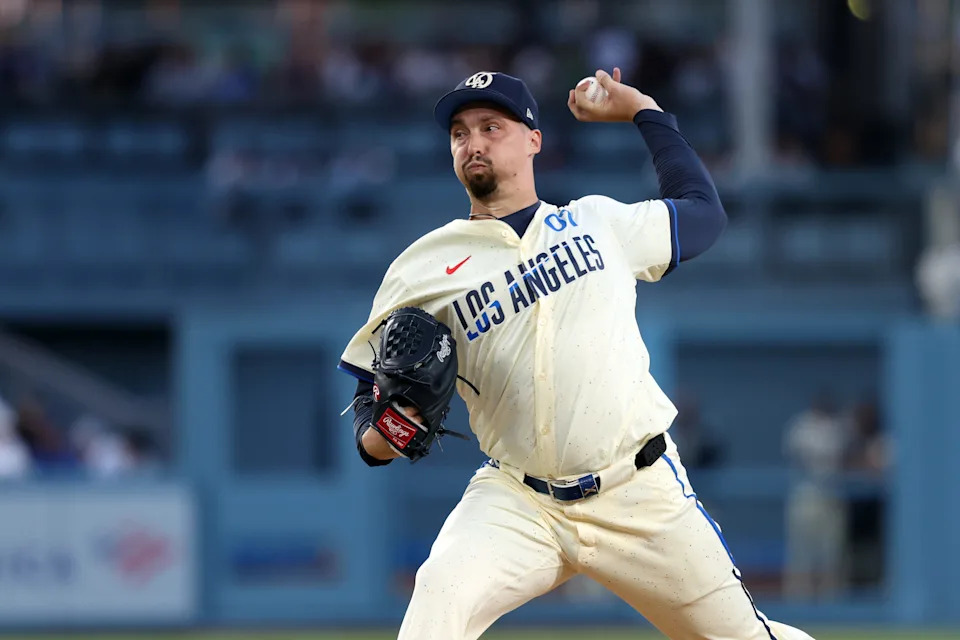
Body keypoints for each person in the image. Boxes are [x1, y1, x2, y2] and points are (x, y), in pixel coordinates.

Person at [339, 69, 815, 639]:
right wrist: (391, 428)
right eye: (460, 133)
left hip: (637, 490)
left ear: (534, 139)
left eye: (492, 126)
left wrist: (645, 110)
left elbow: (703, 213)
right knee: (439, 596)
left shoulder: (597, 223)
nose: (474, 142)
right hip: (519, 499)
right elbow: (371, 417)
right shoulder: (420, 267)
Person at [782, 392, 849, 600]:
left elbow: (843, 459)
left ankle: (831, 600)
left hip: (832, 496)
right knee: (801, 552)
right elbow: (798, 458)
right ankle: (799, 600)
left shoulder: (838, 427)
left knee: (831, 552)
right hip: (806, 494)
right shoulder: (801, 426)